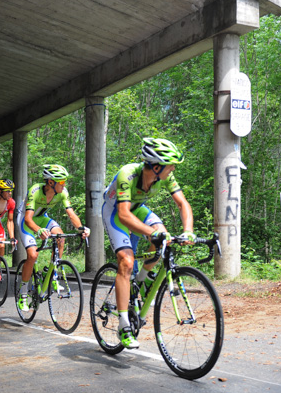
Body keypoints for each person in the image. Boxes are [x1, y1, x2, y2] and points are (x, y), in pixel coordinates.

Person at [101, 138, 194, 349]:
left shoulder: (166, 177)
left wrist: (188, 231)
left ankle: (142, 281)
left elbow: (182, 204)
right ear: (156, 166)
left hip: (138, 209)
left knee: (164, 239)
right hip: (115, 212)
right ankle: (124, 325)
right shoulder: (128, 173)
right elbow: (124, 215)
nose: (172, 170)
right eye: (170, 166)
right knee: (126, 261)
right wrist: (152, 232)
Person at [16, 164, 89, 312]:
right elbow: (29, 219)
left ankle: (53, 274)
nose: (64, 185)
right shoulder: (35, 191)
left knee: (60, 237)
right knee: (32, 255)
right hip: (25, 220)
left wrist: (81, 228)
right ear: (50, 183)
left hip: (42, 218)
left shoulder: (63, 192)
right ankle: (22, 295)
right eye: (61, 182)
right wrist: (39, 231)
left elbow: (71, 214)